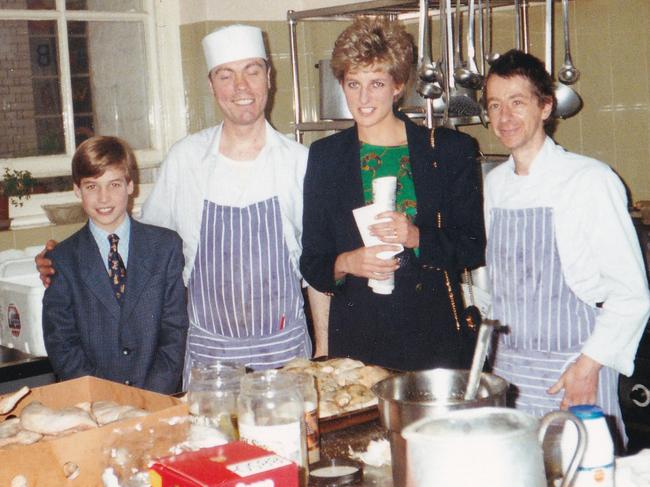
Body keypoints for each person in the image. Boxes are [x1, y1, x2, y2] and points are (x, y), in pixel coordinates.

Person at [483, 49, 650, 445]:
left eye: (517, 102)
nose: (504, 117)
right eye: (495, 105)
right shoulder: (495, 185)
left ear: (545, 107)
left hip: (573, 371)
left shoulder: (588, 180)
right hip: (510, 372)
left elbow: (631, 294)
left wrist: (589, 367)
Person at [300, 17, 485, 371]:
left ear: (398, 85)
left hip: (433, 336)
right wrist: (346, 263)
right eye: (353, 83)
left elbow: (473, 246)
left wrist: (416, 236)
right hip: (357, 341)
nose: (363, 98)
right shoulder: (325, 157)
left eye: (377, 83)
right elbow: (313, 260)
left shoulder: (447, 151)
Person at [42, 136, 188, 394]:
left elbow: (174, 331)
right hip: (96, 402)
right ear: (77, 190)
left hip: (158, 395)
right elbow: (62, 343)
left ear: (131, 185)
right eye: (91, 186)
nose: (103, 197)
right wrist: (105, 398)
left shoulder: (164, 247)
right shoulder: (62, 260)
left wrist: (149, 396)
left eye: (114, 184)